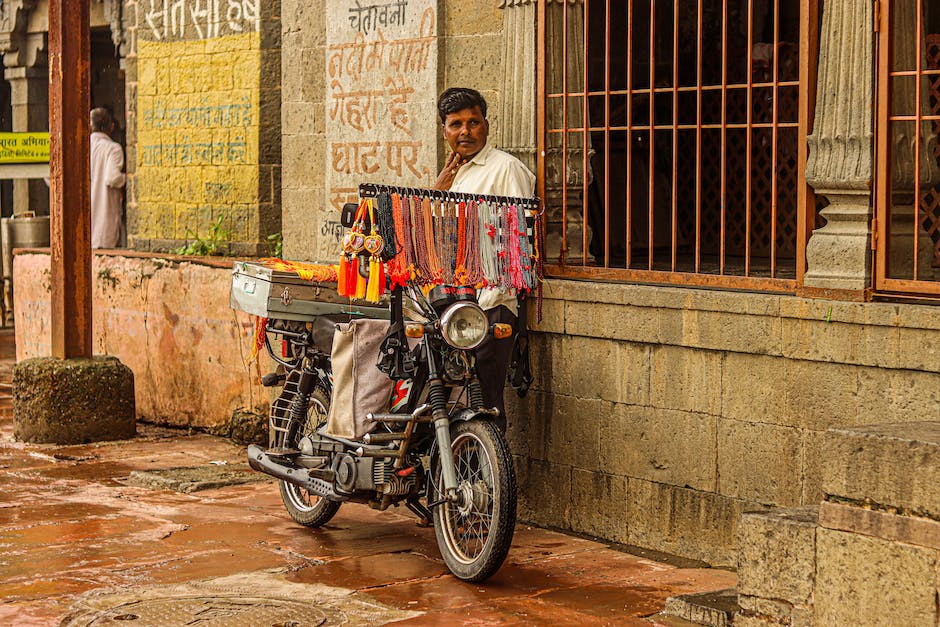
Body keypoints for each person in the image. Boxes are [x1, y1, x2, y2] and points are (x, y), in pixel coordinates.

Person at [433, 87, 536, 429]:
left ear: (486, 126)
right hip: (455, 298)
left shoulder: (506, 169)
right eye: (455, 124)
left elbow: (521, 235)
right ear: (444, 130)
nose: (465, 131)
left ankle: (491, 478)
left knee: (486, 401)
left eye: (473, 122)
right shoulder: (456, 172)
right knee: (448, 399)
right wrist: (440, 187)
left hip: (492, 300)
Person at [89, 107, 126, 248]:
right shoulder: (113, 148)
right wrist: (128, 178)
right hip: (103, 218)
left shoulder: (81, 147)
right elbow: (112, 178)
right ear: (111, 127)